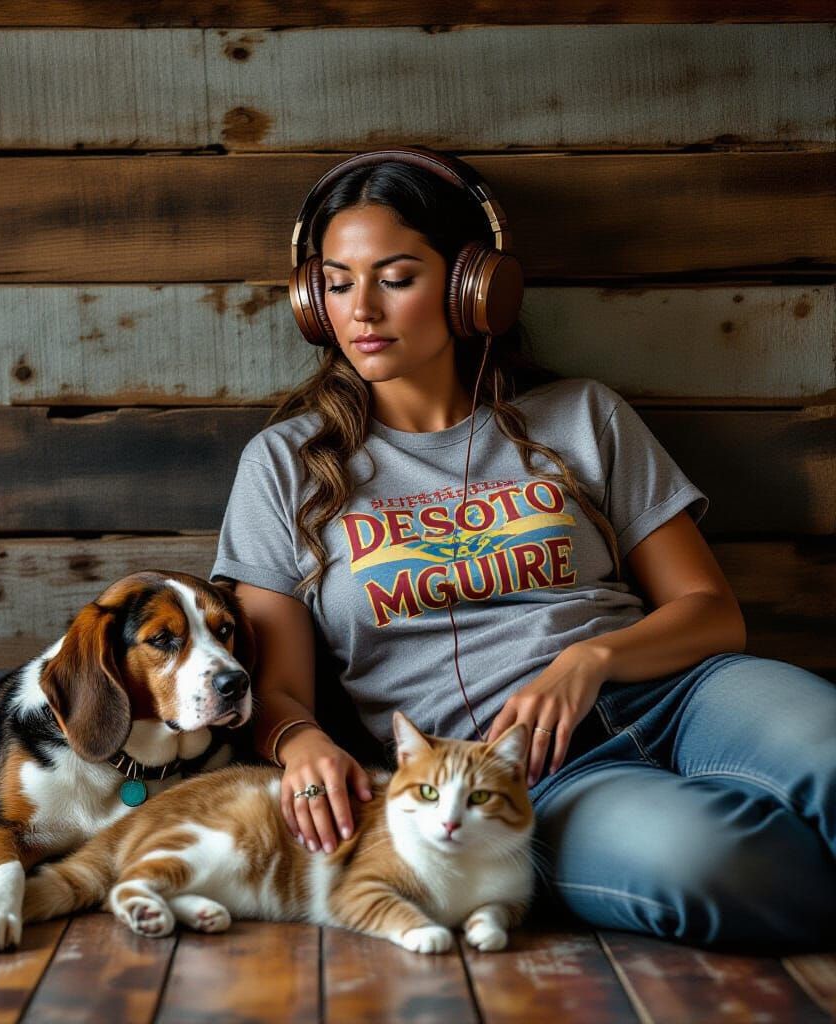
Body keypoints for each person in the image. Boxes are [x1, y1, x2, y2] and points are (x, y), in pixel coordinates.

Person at [209, 148, 836, 951]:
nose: (359, 310)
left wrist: (591, 661)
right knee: (723, 867)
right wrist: (301, 747)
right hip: (521, 782)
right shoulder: (287, 464)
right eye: (336, 282)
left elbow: (713, 614)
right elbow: (279, 692)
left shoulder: (581, 415)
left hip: (684, 696)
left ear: (474, 286)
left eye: (395, 278)